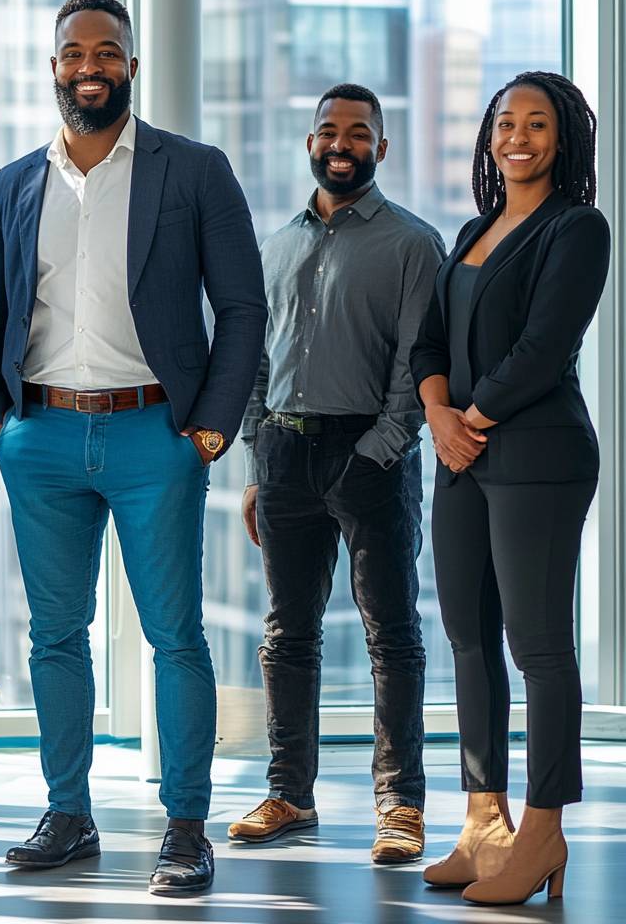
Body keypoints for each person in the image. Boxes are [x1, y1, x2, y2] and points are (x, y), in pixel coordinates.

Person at [0, 0, 266, 896]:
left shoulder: (195, 170)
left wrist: (210, 427)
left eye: (108, 50)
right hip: (43, 436)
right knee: (55, 637)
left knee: (176, 637)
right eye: (73, 51)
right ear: (53, 64)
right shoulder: (15, 183)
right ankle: (68, 814)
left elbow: (245, 307)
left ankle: (185, 827)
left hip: (155, 435)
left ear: (132, 64)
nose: (89, 63)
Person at [411, 71, 609, 906]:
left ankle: (544, 829)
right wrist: (436, 414)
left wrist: (469, 418)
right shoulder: (474, 227)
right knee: (467, 638)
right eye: (504, 122)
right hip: (461, 453)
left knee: (538, 647)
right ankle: (482, 822)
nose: (517, 135)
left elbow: (543, 345)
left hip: (537, 454)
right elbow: (427, 339)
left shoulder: (578, 228)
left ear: (562, 137)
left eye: (536, 122)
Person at [232, 84, 443, 863]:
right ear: (311, 144)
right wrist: (259, 460)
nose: (341, 142)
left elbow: (418, 365)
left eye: (359, 131)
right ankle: (289, 793)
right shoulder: (277, 244)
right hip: (285, 453)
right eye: (328, 130)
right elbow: (257, 362)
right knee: (288, 633)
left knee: (392, 633)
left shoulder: (413, 245)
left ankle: (401, 805)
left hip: (372, 459)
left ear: (381, 149)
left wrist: (378, 453)